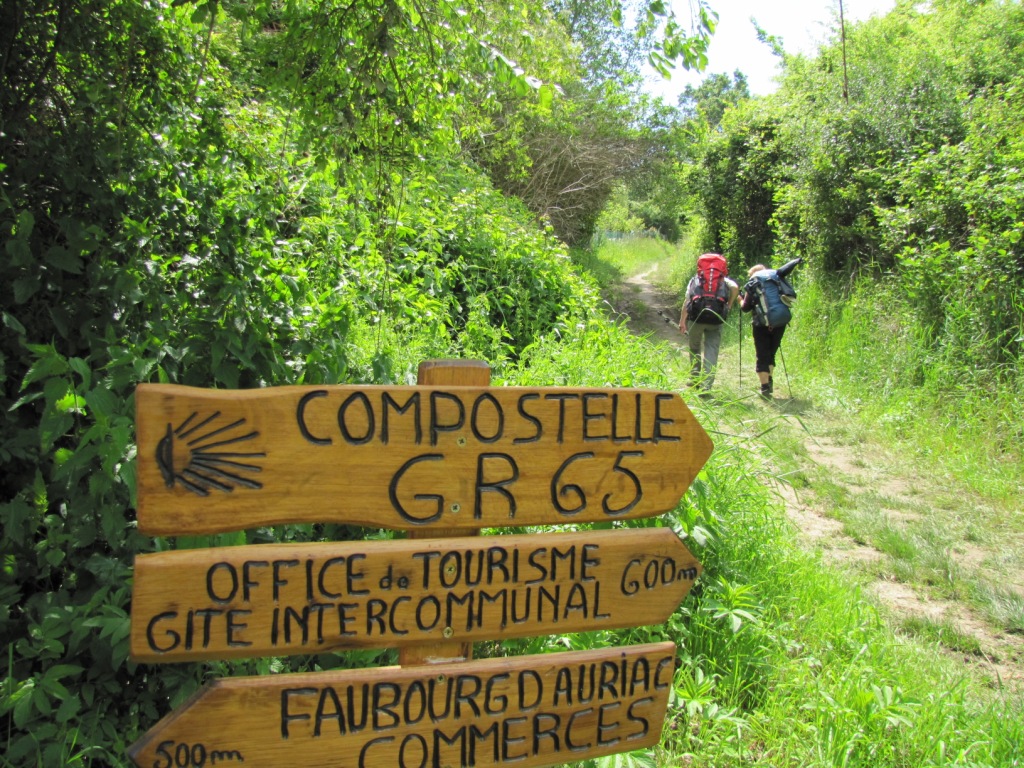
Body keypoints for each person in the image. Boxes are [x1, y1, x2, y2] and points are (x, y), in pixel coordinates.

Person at [740, 259, 801, 399]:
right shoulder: (775, 278)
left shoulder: (753, 283)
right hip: (780, 322)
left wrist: (740, 299)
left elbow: (745, 308)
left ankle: (765, 387)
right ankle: (769, 379)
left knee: (762, 354)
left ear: (753, 274)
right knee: (771, 353)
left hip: (761, 325)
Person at [679, 254, 739, 394]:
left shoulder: (696, 279)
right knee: (711, 349)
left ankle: (694, 379)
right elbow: (735, 287)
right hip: (716, 318)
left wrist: (683, 321)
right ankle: (707, 385)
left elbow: (687, 300)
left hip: (696, 318)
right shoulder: (724, 280)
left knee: (694, 348)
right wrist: (729, 305)